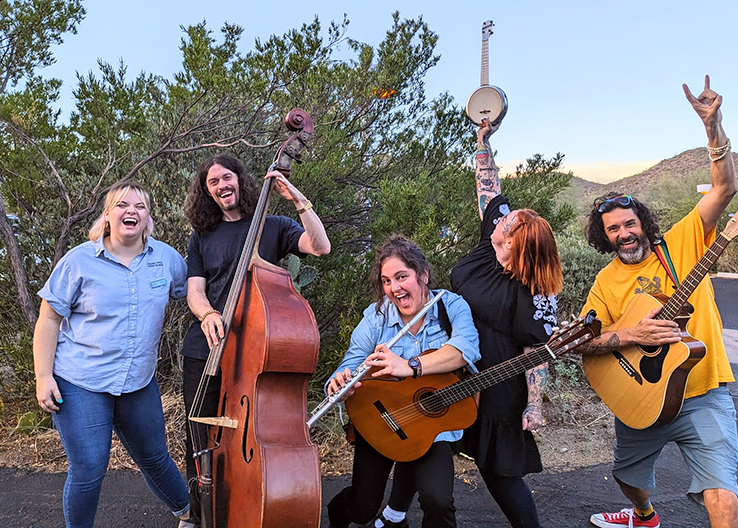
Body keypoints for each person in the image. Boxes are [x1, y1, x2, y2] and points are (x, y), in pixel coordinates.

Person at [373, 118, 563, 528]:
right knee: (423, 435)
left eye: (507, 237)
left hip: (495, 382)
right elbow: (487, 187)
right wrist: (482, 142)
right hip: (444, 360)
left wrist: (533, 403)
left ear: (524, 248)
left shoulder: (537, 290)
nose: (498, 234)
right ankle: (393, 516)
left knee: (498, 471)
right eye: (498, 231)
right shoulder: (492, 235)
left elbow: (537, 351)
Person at [578, 76, 738, 528]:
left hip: (702, 393)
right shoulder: (606, 281)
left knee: (724, 500)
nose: (624, 233)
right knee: (627, 477)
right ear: (604, 235)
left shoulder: (683, 242)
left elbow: (724, 189)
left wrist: (714, 128)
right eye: (613, 229)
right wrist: (631, 333)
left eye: (629, 223)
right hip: (643, 397)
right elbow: (585, 342)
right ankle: (643, 515)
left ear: (642, 222)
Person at [180, 153, 330, 527]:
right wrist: (208, 314)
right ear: (206, 191)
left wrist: (299, 201)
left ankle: (249, 505)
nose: (221, 186)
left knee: (250, 434)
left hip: (255, 350)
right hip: (208, 348)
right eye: (212, 182)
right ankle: (198, 514)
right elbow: (195, 291)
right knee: (198, 435)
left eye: (226, 178)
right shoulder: (202, 236)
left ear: (240, 180)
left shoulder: (273, 225)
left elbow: (320, 246)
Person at [33, 180, 191, 527]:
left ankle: (190, 514)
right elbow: (48, 318)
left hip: (138, 382)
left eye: (139, 206)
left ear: (149, 219)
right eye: (122, 205)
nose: (130, 211)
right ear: (107, 215)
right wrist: (43, 377)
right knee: (89, 466)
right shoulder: (79, 261)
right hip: (80, 381)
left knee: (155, 458)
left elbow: (192, 293)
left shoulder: (166, 260)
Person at [325, 236, 481, 528]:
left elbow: (465, 350)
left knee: (438, 501)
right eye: (386, 281)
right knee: (363, 509)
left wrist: (411, 366)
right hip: (381, 418)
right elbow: (352, 359)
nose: (394, 288)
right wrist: (340, 380)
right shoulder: (377, 316)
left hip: (429, 428)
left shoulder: (450, 306)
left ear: (422, 275)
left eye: (401, 277)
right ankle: (338, 515)